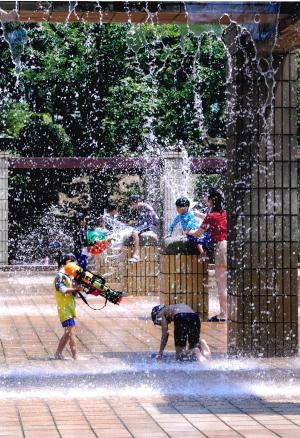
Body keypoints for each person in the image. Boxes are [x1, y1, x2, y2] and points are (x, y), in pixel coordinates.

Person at [187, 188, 227, 322]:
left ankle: (224, 314)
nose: (206, 201)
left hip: (221, 248)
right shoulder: (224, 213)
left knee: (221, 283)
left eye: (207, 199)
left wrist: (189, 232)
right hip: (227, 246)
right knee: (224, 282)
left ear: (212, 200)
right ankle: (226, 312)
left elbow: (199, 233)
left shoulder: (211, 216)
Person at [54, 253, 82, 360]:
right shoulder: (60, 276)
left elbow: (70, 292)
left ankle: (58, 353)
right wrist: (75, 289)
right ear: (68, 263)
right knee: (70, 332)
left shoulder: (67, 276)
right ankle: (76, 355)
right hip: (64, 309)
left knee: (67, 333)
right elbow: (62, 290)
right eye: (74, 265)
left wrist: (76, 288)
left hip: (69, 308)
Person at [128, 194, 159, 262]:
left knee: (135, 232)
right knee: (132, 231)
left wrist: (154, 224)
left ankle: (137, 255)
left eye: (132, 204)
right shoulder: (140, 207)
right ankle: (134, 253)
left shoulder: (144, 206)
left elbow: (153, 218)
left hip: (150, 224)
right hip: (146, 223)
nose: (132, 206)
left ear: (134, 202)